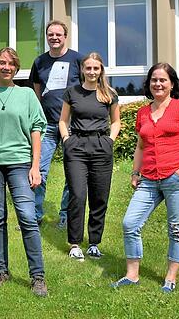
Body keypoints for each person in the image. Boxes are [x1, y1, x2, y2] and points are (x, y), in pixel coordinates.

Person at [112, 63, 179, 293]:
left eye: (163, 80)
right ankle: (132, 275)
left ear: (172, 84)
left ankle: (170, 278)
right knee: (129, 223)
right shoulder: (143, 112)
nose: (158, 84)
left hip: (176, 177)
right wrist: (135, 172)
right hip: (149, 178)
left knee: (176, 228)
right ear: (149, 84)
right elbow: (140, 146)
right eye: (154, 80)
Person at [0, 47, 48, 297]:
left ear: (16, 67)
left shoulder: (26, 95)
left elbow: (37, 129)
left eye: (10, 63)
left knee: (27, 216)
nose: (5, 67)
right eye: (1, 63)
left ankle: (38, 277)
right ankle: (1, 271)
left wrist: (36, 166)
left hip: (20, 163)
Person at [59, 52, 121, 261]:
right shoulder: (72, 92)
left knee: (99, 196)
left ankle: (94, 243)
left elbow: (116, 122)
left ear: (101, 70)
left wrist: (109, 141)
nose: (92, 72)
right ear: (82, 70)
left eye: (96, 68)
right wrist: (67, 140)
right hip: (76, 147)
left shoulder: (109, 94)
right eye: (88, 68)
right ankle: (75, 244)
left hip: (101, 146)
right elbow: (62, 120)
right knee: (77, 195)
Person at [30, 19, 83, 228]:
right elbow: (36, 91)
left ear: (65, 36)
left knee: (73, 172)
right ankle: (35, 215)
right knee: (38, 171)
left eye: (58, 34)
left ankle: (66, 216)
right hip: (47, 126)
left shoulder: (77, 59)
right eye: (50, 34)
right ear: (46, 36)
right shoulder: (39, 62)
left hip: (73, 125)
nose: (54, 38)